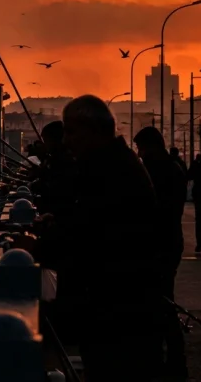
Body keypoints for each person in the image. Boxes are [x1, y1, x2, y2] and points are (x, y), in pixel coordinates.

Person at [57, 95, 162, 379]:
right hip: (119, 311)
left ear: (94, 131)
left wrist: (49, 241)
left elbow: (92, 238)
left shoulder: (110, 172)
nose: (65, 141)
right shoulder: (111, 165)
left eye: (71, 131)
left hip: (118, 316)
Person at [134, 127, 187, 377]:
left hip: (160, 243)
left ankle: (170, 359)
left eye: (141, 149)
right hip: (170, 240)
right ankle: (172, 357)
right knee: (163, 298)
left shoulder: (156, 170)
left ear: (151, 146)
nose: (140, 154)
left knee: (161, 301)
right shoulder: (173, 167)